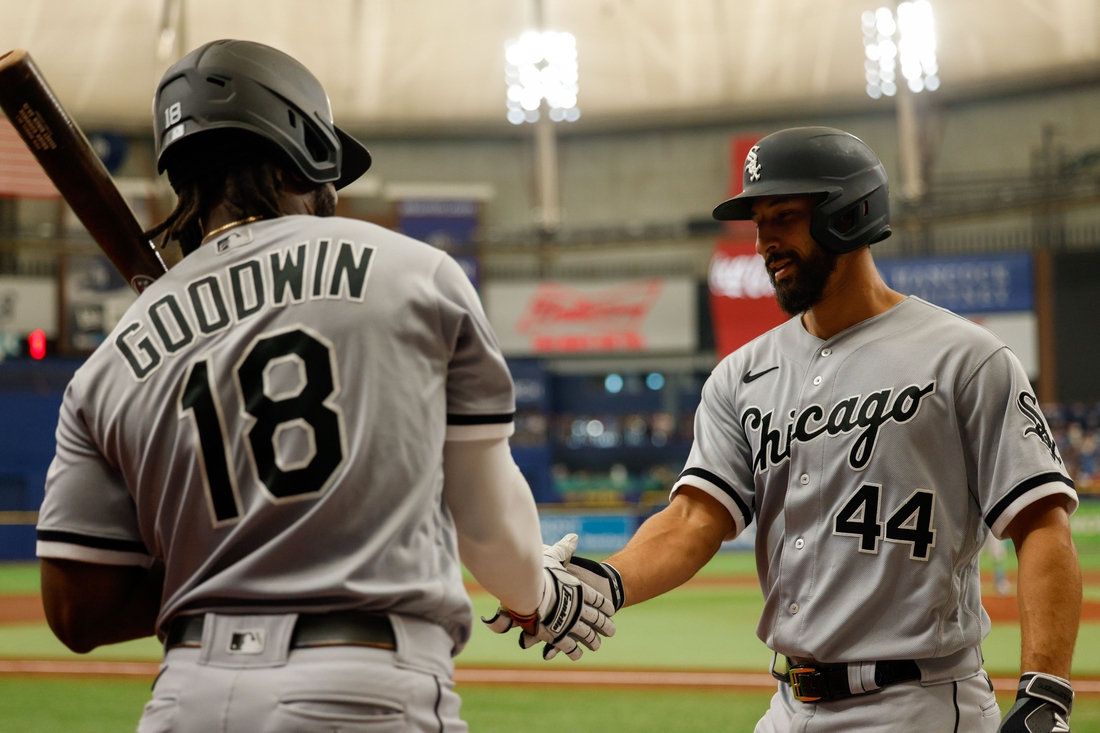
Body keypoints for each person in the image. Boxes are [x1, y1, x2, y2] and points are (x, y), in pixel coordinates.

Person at [35, 39, 609, 733]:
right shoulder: (419, 275)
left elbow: (78, 613)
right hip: (358, 689)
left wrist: (227, 543)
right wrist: (540, 592)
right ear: (301, 150)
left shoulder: (112, 359)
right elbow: (487, 525)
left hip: (182, 699)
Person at [547, 127, 1082, 732]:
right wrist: (606, 580)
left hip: (919, 704)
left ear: (848, 215)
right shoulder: (741, 376)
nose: (765, 243)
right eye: (757, 223)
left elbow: (1041, 524)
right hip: (788, 707)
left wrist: (1045, 694)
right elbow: (694, 520)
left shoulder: (965, 359)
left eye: (783, 218)